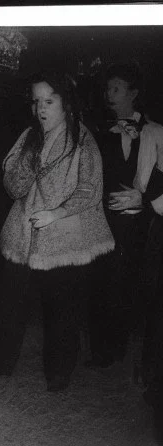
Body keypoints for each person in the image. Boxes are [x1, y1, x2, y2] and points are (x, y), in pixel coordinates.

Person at [0, 70, 114, 392]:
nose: (40, 109)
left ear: (67, 104)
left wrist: (57, 213)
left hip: (65, 233)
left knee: (62, 305)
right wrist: (28, 163)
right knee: (8, 300)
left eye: (49, 101)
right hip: (23, 231)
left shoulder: (82, 140)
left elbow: (90, 189)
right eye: (36, 102)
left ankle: (60, 372)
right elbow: (13, 186)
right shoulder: (29, 137)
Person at [87, 62, 163, 369]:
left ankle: (132, 347)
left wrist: (142, 198)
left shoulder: (156, 132)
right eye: (107, 88)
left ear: (133, 93)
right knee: (102, 281)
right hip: (106, 217)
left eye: (116, 88)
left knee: (131, 280)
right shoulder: (99, 132)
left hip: (143, 221)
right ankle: (103, 351)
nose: (109, 94)